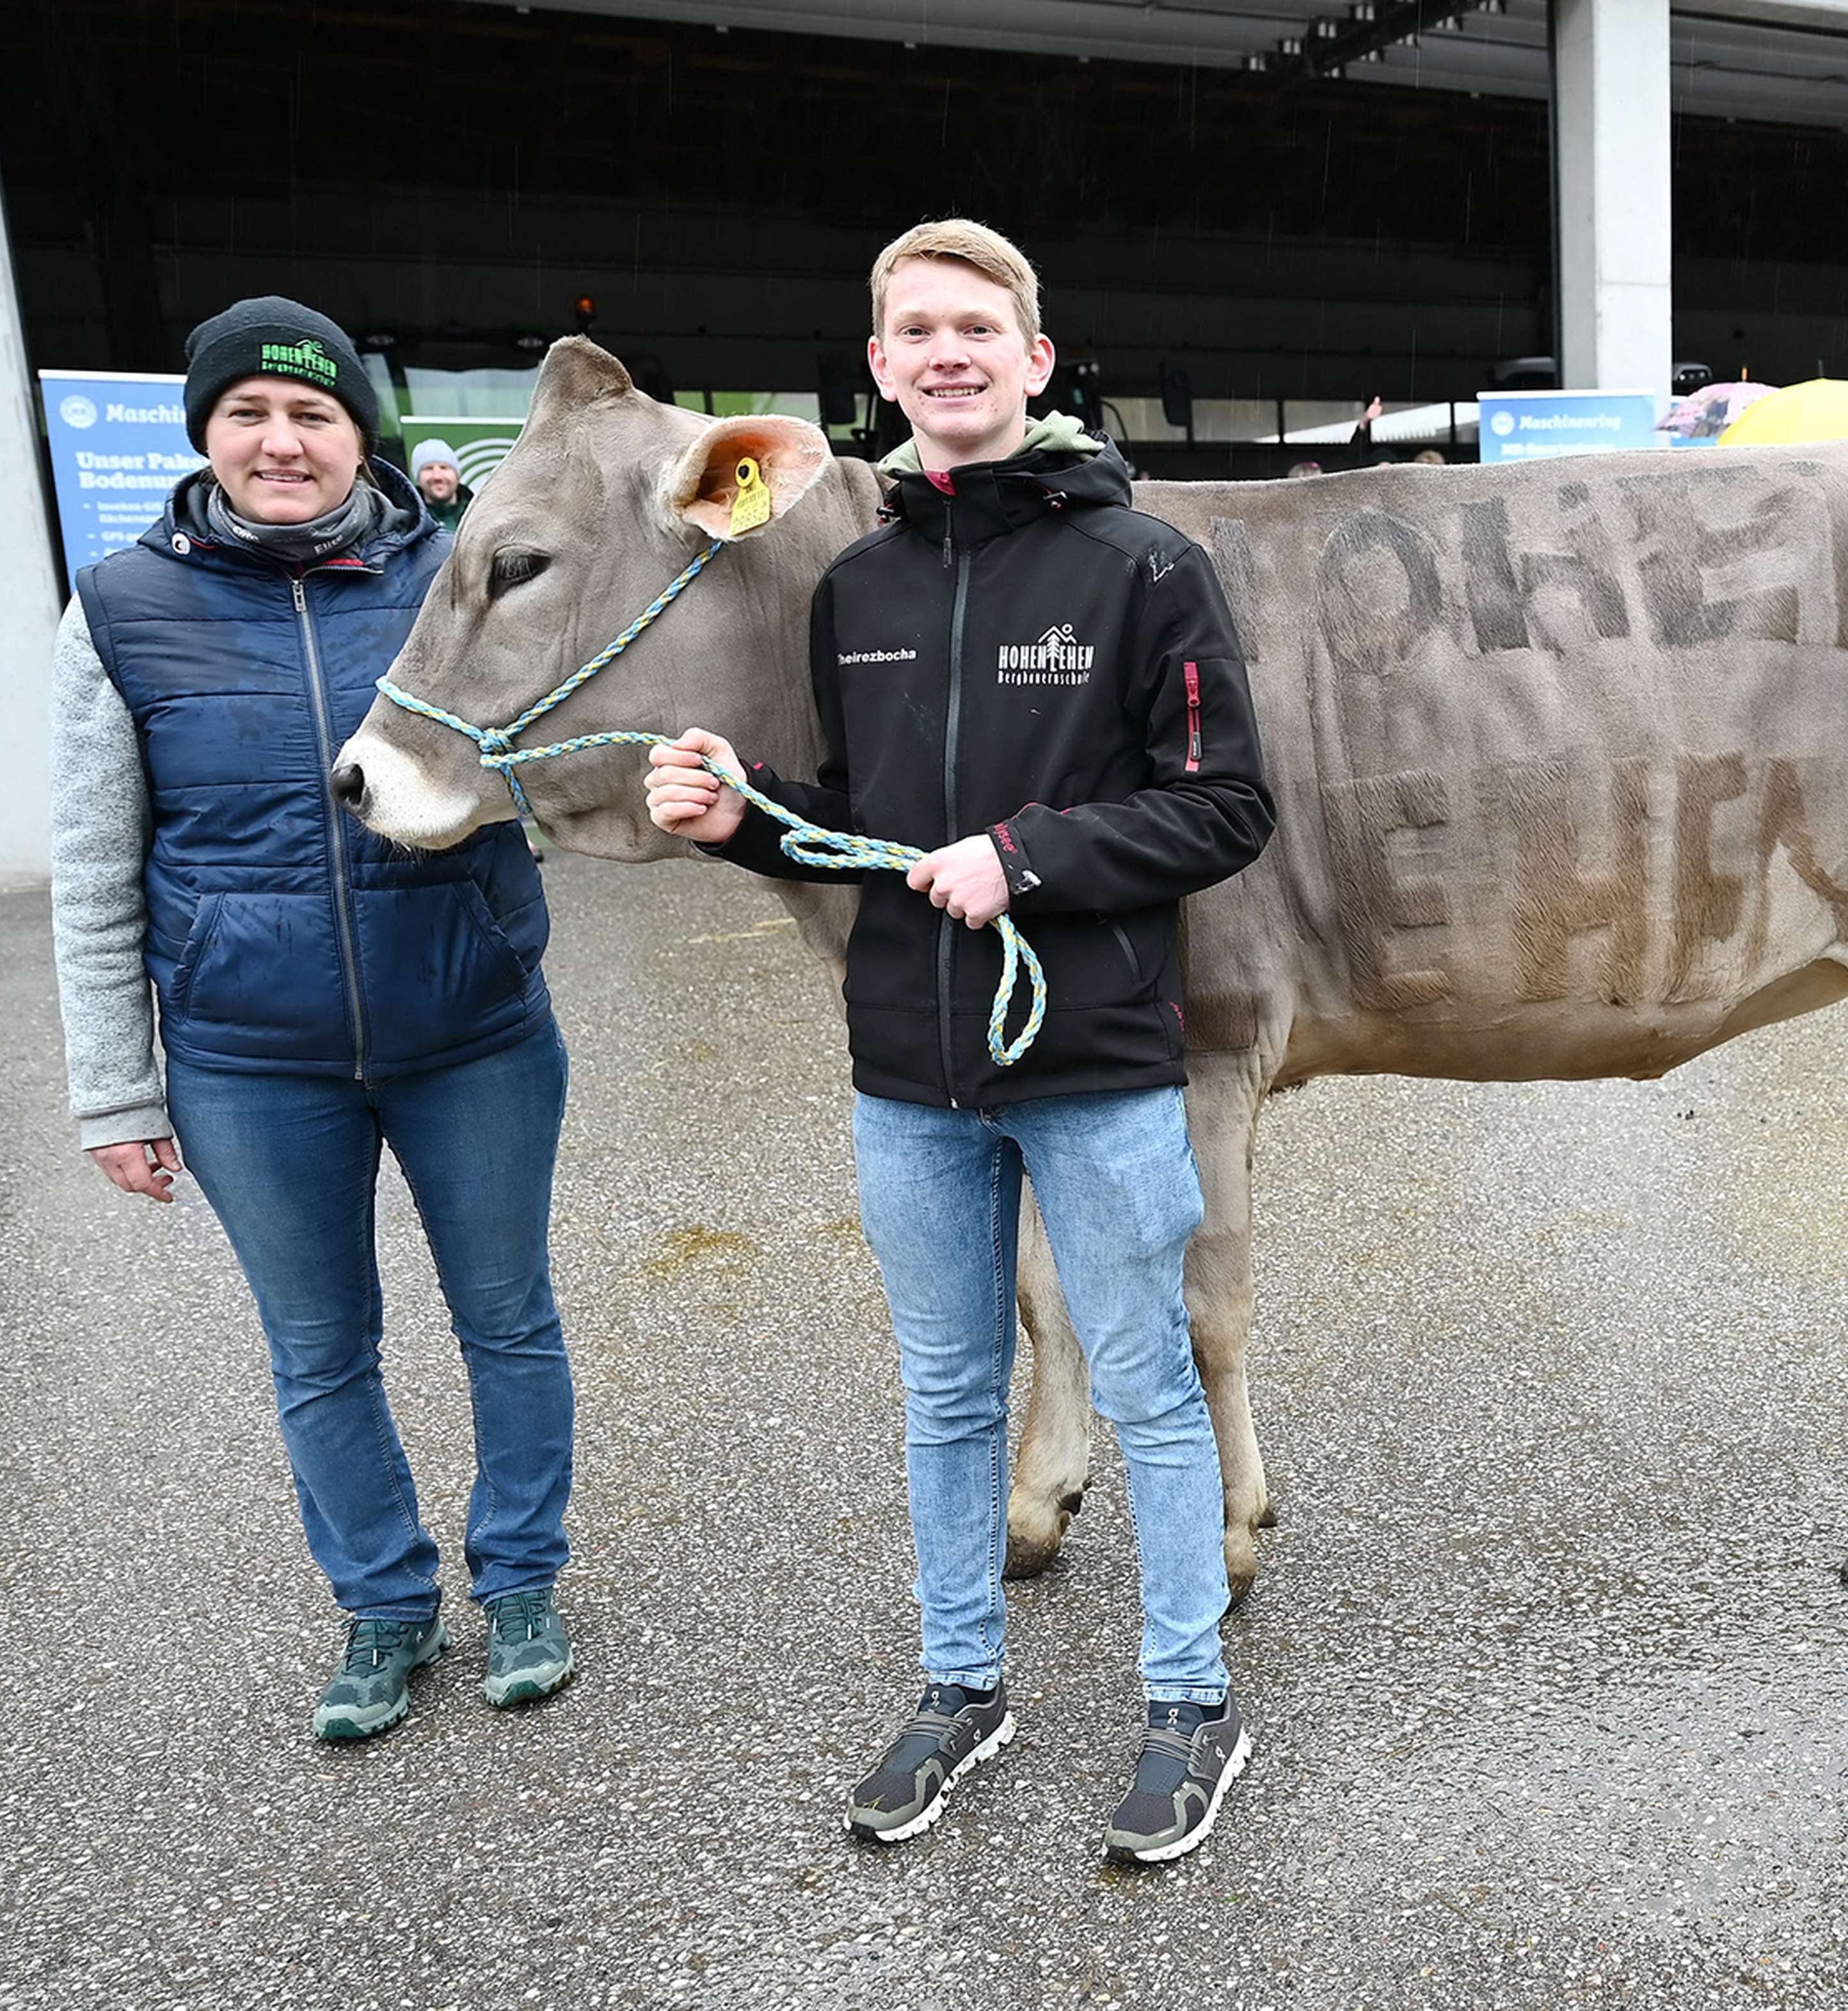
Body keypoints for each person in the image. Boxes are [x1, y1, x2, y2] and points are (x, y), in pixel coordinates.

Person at [644, 220, 1275, 1864]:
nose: (947, 352)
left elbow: (1225, 806)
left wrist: (1027, 857)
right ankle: (960, 1683)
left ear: (1033, 359)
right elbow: (862, 822)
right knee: (944, 1393)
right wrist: (737, 817)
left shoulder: (1144, 566)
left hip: (1094, 1061)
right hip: (908, 1074)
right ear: (879, 366)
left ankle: (1190, 1697)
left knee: (1144, 1384)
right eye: (916, 329)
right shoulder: (857, 585)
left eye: (977, 328)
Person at [49, 296, 577, 1743]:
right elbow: (93, 872)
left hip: (471, 1030)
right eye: (248, 415)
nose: (281, 442)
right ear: (205, 434)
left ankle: (522, 1579)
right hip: (249, 1061)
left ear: (360, 435)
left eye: (313, 415)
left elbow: (562, 750)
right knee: (318, 1347)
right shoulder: (120, 609)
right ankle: (385, 1602)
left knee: (508, 1317)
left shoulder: (455, 573)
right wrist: (116, 1091)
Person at [410, 437, 473, 529]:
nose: (437, 477)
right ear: (418, 478)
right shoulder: (407, 521)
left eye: (444, 468)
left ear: (457, 475)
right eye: (429, 468)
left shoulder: (479, 512)